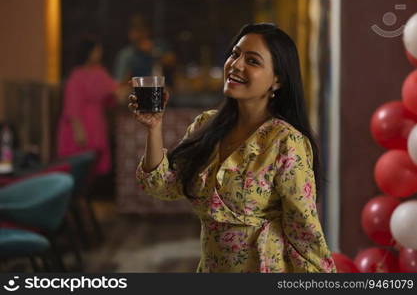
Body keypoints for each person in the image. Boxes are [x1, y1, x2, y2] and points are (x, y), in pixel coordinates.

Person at [129, 23, 337, 273]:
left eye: (253, 60)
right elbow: (163, 185)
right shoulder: (206, 125)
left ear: (277, 80)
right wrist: (154, 128)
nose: (236, 65)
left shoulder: (285, 142)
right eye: (235, 54)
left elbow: (304, 233)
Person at [57, 36, 126, 176]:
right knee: (78, 166)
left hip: (97, 124)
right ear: (87, 53)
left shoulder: (100, 72)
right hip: (81, 126)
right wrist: (78, 129)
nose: (99, 54)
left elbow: (111, 96)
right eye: (96, 51)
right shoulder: (77, 76)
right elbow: (72, 105)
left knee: (94, 165)